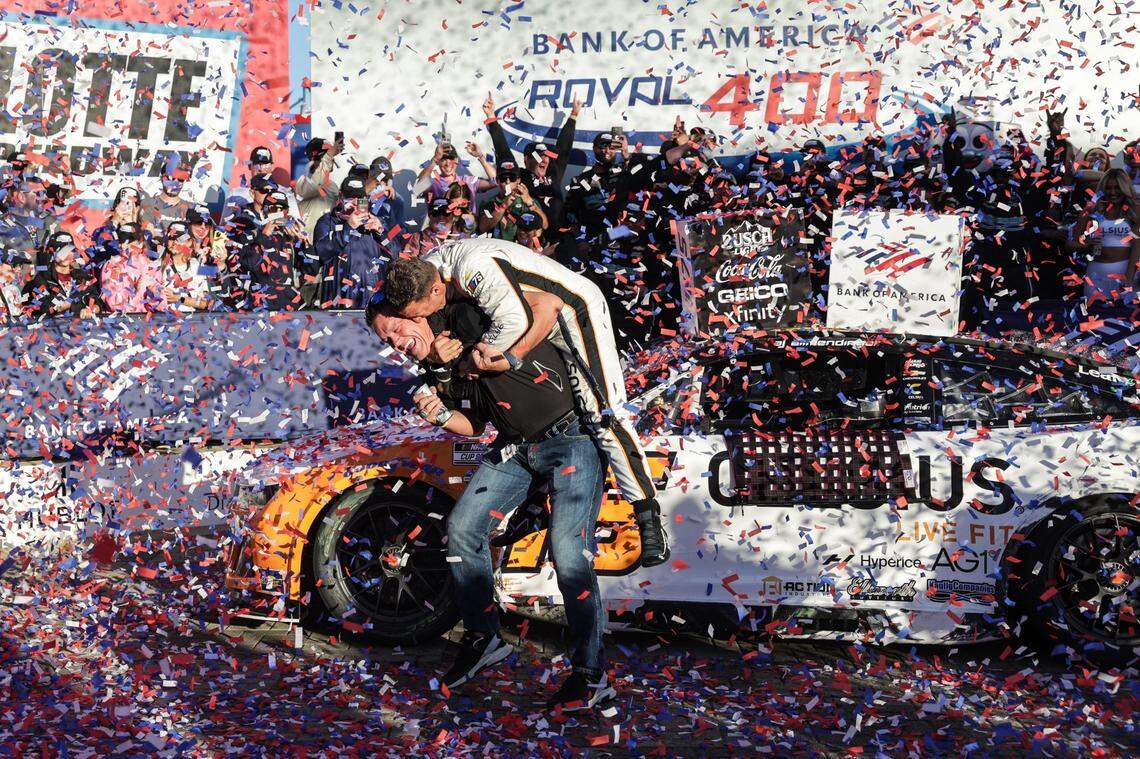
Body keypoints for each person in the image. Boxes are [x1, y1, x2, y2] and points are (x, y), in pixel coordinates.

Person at [367, 294, 616, 710]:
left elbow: (547, 302)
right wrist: (441, 417)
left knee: (570, 553)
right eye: (385, 340)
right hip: (515, 448)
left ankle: (590, 675)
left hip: (571, 437)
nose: (395, 342)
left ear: (416, 313)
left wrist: (506, 350)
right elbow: (475, 424)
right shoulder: (432, 372)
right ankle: (485, 637)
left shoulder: (470, 315)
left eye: (395, 329)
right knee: (462, 528)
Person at [380, 239, 671, 567]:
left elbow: (541, 309)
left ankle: (648, 518)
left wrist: (503, 358)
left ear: (435, 291)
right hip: (536, 314)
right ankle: (533, 506)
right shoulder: (423, 274)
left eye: (417, 315)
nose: (423, 321)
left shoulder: (472, 270)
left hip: (574, 312)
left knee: (603, 415)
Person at [483, 93, 579, 239]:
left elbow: (564, 147)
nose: (545, 161)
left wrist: (573, 116)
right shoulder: (519, 177)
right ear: (527, 160)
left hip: (557, 236)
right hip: (530, 237)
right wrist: (491, 117)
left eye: (547, 157)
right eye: (539, 157)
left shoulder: (553, 171)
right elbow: (503, 151)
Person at [311, 175, 388, 308]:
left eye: (359, 198)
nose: (355, 202)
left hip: (371, 302)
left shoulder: (374, 222)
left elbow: (395, 254)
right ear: (340, 197)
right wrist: (348, 227)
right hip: (338, 301)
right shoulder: (327, 222)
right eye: (350, 197)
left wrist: (381, 232)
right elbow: (320, 254)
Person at [1069, 168, 1139, 305]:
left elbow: (1137, 246)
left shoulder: (1136, 210)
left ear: (1125, 188)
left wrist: (1129, 276)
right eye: (1108, 188)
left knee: (1123, 321)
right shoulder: (1090, 210)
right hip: (1095, 274)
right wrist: (1087, 246)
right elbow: (1070, 244)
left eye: (1117, 188)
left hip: (1124, 273)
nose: (1113, 192)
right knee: (1094, 320)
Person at [238, 189, 311, 311]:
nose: (278, 213)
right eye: (273, 209)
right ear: (264, 211)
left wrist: (304, 243)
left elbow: (311, 270)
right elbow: (250, 263)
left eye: (282, 209)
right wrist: (265, 235)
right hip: (261, 305)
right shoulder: (252, 234)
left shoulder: (291, 236)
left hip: (288, 303)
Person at [22, 231, 100, 319]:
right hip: (52, 330)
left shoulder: (83, 276)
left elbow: (98, 302)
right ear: (52, 254)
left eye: (69, 250)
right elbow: (46, 308)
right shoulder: (42, 278)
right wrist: (77, 306)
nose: (66, 255)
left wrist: (92, 309)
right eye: (61, 252)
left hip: (81, 330)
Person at [100, 222, 168, 314]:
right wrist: (136, 291)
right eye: (121, 241)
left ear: (140, 242)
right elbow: (113, 304)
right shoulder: (112, 266)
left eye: (129, 242)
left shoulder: (151, 267)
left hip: (146, 324)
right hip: (121, 323)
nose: (123, 246)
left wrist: (154, 295)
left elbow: (162, 306)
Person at [223, 146, 301, 224]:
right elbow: (224, 224)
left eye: (266, 164)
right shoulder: (235, 194)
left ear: (271, 167)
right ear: (250, 166)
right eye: (257, 164)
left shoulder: (286, 194)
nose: (261, 169)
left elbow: (297, 226)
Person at [88, 187, 152, 278]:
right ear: (116, 206)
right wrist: (115, 220)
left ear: (137, 208)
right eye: (123, 203)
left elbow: (145, 257)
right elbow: (100, 246)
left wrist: (133, 226)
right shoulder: (103, 231)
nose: (126, 208)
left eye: (130, 204)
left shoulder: (145, 234)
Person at [476, 161, 548, 242]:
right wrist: (503, 206)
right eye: (503, 178)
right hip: (496, 247)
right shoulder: (488, 203)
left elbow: (544, 225)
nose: (507, 181)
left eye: (512, 178)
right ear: (497, 180)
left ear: (518, 180)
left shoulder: (528, 201)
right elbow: (482, 228)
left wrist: (530, 202)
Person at [296, 135, 345, 239]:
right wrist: (329, 154)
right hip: (309, 246)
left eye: (331, 157)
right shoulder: (304, 180)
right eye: (326, 156)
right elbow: (315, 176)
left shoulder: (333, 186)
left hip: (328, 245)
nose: (331, 160)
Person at [413, 141, 495, 202]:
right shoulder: (433, 184)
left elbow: (494, 183)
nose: (448, 163)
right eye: (443, 159)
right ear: (438, 161)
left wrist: (481, 157)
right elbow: (418, 189)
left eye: (451, 158)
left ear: (457, 160)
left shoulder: (468, 181)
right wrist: (434, 160)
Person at [402, 189, 472, 257]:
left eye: (445, 213)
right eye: (436, 213)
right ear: (430, 216)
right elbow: (407, 264)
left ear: (452, 215)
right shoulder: (417, 238)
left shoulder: (464, 238)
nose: (441, 217)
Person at [162, 221, 212, 312]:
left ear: (190, 242)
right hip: (161, 321)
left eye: (180, 239)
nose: (174, 243)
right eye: (171, 238)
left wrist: (178, 298)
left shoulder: (199, 265)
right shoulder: (156, 266)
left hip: (190, 322)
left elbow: (204, 303)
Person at [140, 167, 191, 233]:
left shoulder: (189, 208)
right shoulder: (147, 203)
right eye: (171, 178)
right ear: (162, 179)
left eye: (180, 180)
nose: (176, 183)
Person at [0, 249, 28, 323]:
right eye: (20, 266)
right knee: (12, 289)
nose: (20, 269)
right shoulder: (8, 271)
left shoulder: (7, 270)